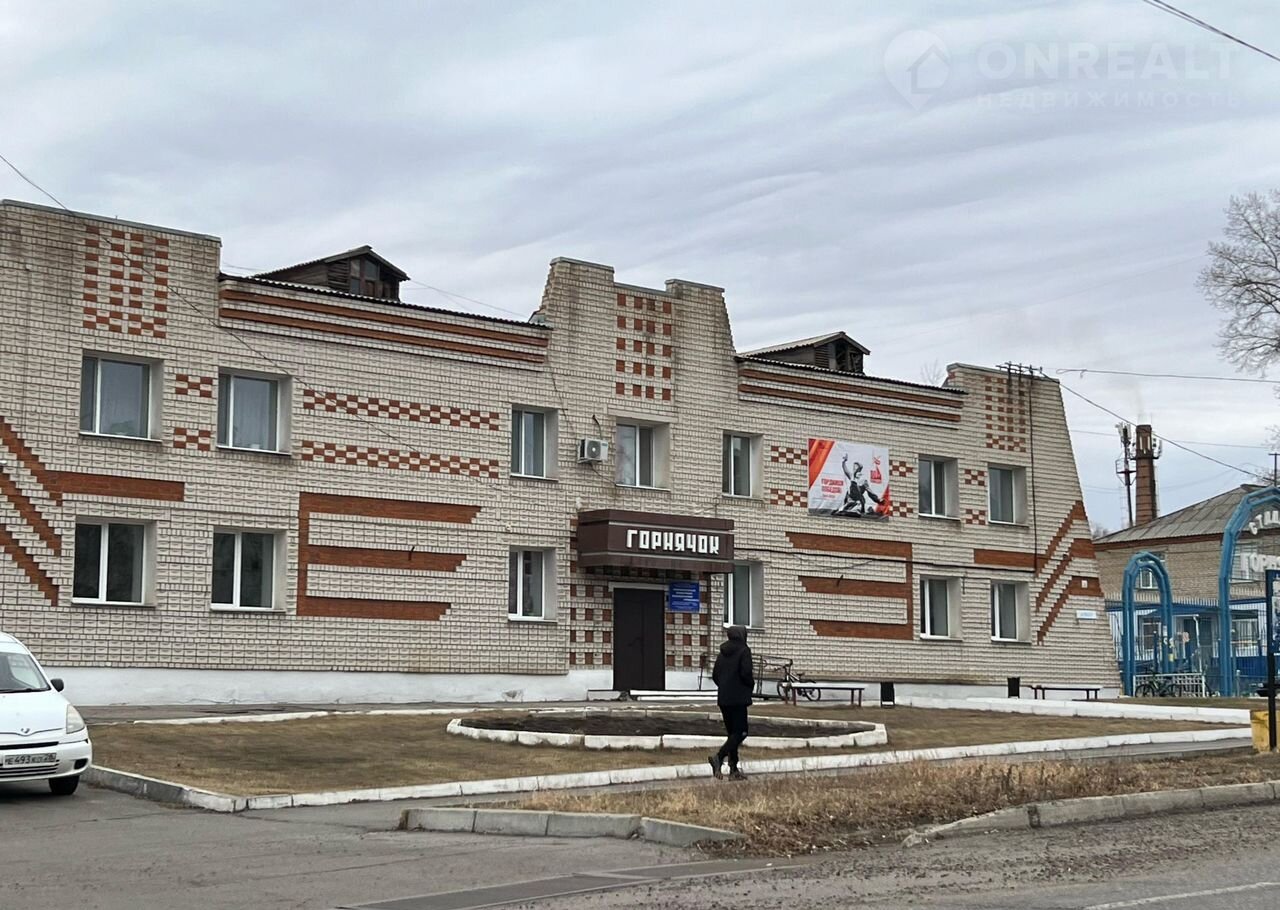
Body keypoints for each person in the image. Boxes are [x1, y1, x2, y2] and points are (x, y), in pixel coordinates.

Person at [708, 625, 753, 781]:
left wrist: (725, 686)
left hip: (724, 699)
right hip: (738, 698)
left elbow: (715, 675)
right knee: (741, 732)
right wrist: (749, 685)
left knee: (732, 734)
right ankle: (719, 757)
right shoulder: (744, 650)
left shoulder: (722, 653)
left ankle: (733, 770)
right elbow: (746, 673)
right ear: (742, 635)